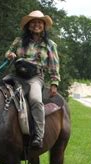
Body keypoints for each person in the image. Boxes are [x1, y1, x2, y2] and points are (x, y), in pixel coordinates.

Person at [5, 10, 60, 149]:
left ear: (44, 26)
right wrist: (10, 54)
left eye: (40, 22)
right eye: (33, 22)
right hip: (16, 75)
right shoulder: (19, 40)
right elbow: (8, 52)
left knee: (35, 100)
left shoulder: (50, 44)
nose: (37, 25)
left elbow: (54, 64)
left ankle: (38, 136)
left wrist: (54, 82)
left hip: (35, 77)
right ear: (28, 25)